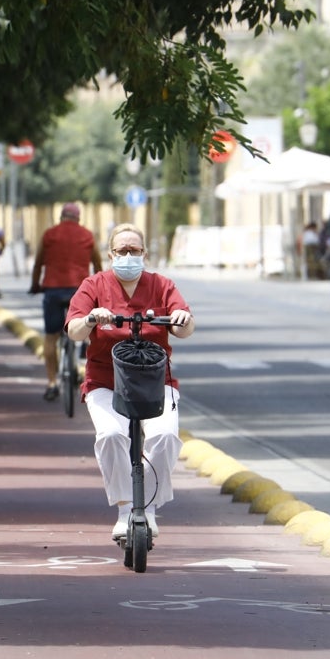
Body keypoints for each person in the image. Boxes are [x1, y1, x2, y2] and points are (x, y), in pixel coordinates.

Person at [65, 223, 195, 540]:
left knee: (165, 437)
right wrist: (92, 318)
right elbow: (74, 330)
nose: (128, 256)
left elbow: (184, 326)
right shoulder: (93, 285)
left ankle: (148, 508)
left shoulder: (162, 285)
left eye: (134, 251)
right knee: (111, 435)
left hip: (154, 381)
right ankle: (125, 509)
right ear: (111, 254)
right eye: (121, 250)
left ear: (144, 254)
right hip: (105, 382)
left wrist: (181, 320)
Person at [29, 202, 103, 401]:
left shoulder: (49, 234)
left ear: (61, 217)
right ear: (78, 218)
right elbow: (97, 264)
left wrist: (35, 285)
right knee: (88, 330)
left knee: (51, 336)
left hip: (52, 291)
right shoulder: (87, 235)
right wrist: (101, 288)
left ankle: (52, 383)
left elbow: (38, 263)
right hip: (80, 291)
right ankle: (83, 368)